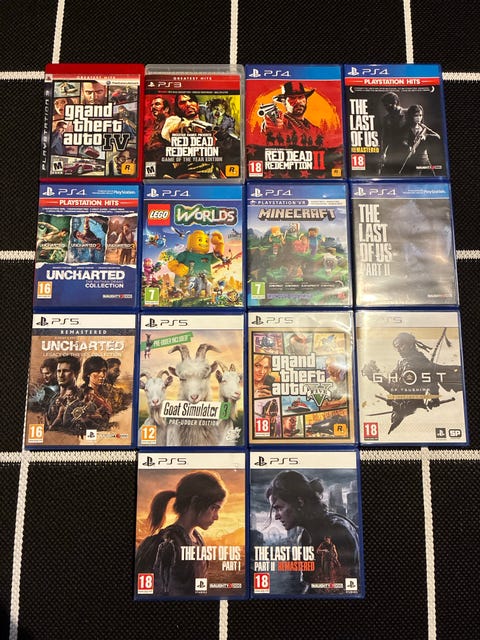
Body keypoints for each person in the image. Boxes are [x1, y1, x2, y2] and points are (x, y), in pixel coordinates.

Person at [135, 471, 227, 596]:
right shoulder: (167, 543)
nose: (216, 517)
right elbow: (154, 591)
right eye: (213, 508)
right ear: (195, 502)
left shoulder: (197, 539)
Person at [266, 470, 359, 592]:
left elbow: (347, 588)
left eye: (279, 508)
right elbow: (312, 586)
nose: (276, 516)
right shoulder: (305, 537)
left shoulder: (337, 530)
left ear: (300, 501)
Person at [361, 331, 441, 432]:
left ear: (410, 344)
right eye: (396, 347)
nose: (398, 349)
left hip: (412, 411)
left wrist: (374, 376)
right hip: (403, 407)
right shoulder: (403, 362)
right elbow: (393, 381)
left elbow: (397, 389)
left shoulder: (413, 364)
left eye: (401, 346)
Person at [261, 81, 325, 147]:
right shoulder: (282, 121)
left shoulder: (316, 130)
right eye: (292, 98)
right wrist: (273, 127)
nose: (298, 101)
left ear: (306, 100)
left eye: (301, 97)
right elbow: (270, 127)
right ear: (284, 102)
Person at [398, 104, 441, 176]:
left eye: (420, 115)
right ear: (411, 116)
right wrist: (408, 147)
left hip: (425, 159)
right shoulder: (406, 128)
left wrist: (425, 136)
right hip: (413, 160)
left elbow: (437, 136)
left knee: (432, 177)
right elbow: (403, 141)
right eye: (416, 115)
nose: (419, 118)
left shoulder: (423, 127)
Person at [45, 355, 81, 432]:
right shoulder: (53, 398)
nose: (61, 375)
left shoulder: (81, 396)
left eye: (65, 371)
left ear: (76, 373)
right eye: (59, 371)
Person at [378, 91, 407, 175]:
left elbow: (419, 129)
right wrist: (383, 153)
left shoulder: (408, 113)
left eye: (388, 104)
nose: (386, 107)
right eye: (384, 105)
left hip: (408, 152)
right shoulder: (386, 119)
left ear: (395, 102)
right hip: (392, 152)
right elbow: (385, 137)